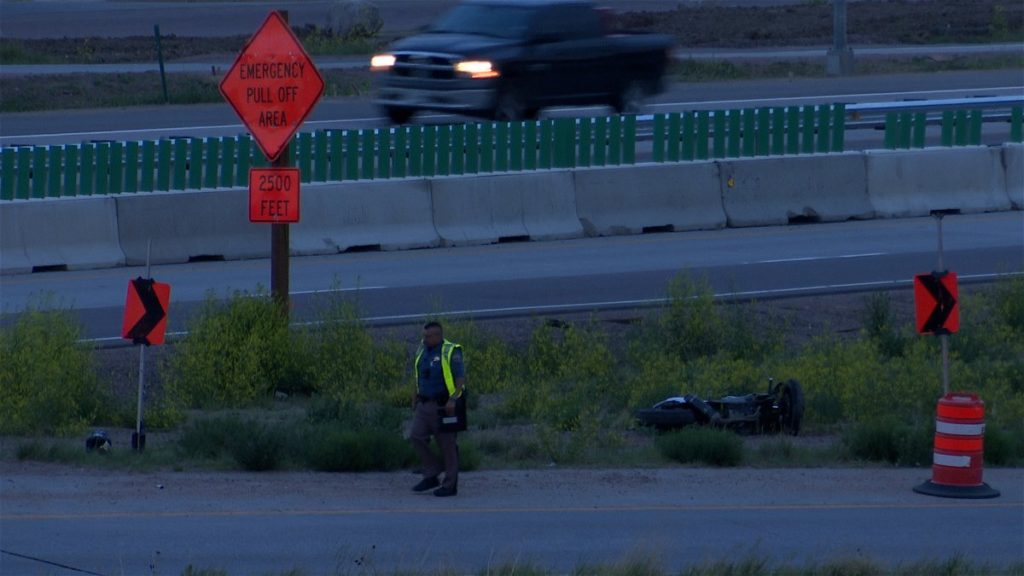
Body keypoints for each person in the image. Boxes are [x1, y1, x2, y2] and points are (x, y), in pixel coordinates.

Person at [410, 321, 466, 497]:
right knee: (416, 436)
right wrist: (415, 397)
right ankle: (432, 472)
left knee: (447, 445)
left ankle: (450, 485)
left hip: (444, 406)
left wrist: (453, 399)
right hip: (424, 404)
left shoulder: (451, 351)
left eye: (428, 336)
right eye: (424, 335)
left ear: (438, 336)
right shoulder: (422, 350)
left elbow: (460, 379)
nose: (424, 339)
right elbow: (418, 375)